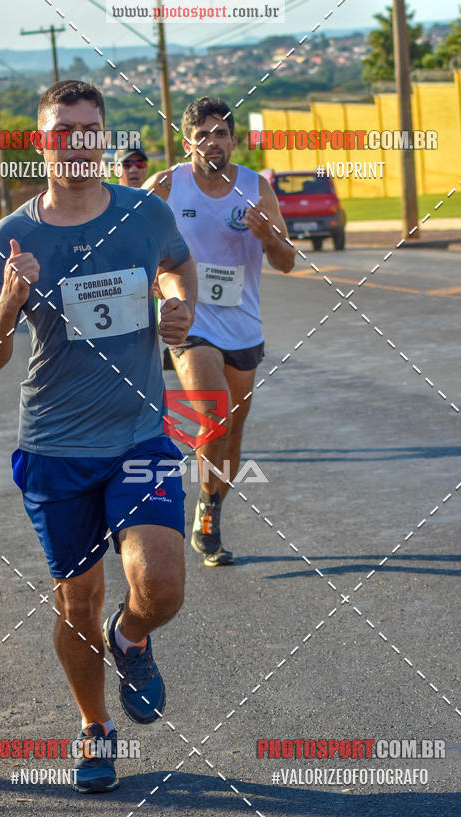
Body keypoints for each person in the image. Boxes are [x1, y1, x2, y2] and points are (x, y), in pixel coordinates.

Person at [0, 80, 197, 793]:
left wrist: (178, 304)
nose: (75, 142)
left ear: (103, 137)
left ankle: (131, 638)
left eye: (87, 130)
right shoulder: (13, 236)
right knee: (76, 603)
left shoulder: (145, 213)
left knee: (161, 586)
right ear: (42, 142)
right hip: (56, 447)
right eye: (61, 130)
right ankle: (95, 727)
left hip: (139, 437)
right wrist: (11, 299)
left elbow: (177, 265)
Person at [144, 97, 295, 567]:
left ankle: (210, 507)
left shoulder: (255, 187)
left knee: (232, 431)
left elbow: (287, 261)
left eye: (222, 133)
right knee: (214, 413)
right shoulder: (165, 187)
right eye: (204, 134)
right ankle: (206, 510)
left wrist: (268, 236)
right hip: (192, 323)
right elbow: (129, 247)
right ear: (187, 142)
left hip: (243, 326)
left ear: (233, 140)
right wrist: (158, 281)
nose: (214, 141)